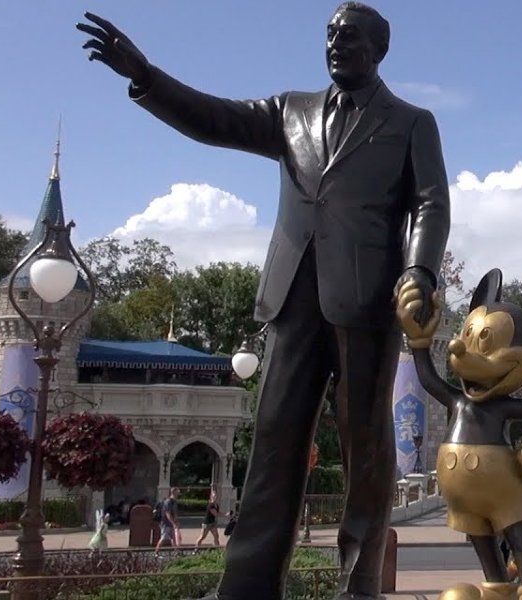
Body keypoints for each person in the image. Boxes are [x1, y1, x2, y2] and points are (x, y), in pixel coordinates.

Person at [77, 3, 451, 598]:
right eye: (329, 34)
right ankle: (247, 583)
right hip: (291, 295)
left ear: (378, 49)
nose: (334, 44)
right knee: (275, 438)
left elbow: (432, 202)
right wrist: (144, 75)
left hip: (367, 300)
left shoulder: (411, 122)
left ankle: (358, 586)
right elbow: (213, 119)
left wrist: (422, 272)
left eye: (348, 36)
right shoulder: (289, 111)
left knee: (366, 448)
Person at [155, 487, 180, 554]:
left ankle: (176, 552)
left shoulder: (174, 501)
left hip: (171, 523)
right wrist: (173, 523)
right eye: (177, 492)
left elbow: (174, 513)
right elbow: (167, 514)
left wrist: (176, 521)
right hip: (165, 523)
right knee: (164, 538)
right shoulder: (168, 501)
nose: (178, 494)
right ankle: (156, 552)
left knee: (173, 537)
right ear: (173, 492)